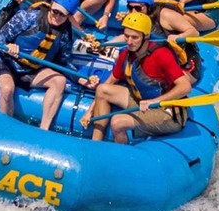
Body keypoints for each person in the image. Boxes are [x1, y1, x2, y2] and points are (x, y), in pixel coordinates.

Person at [0, 0, 97, 130]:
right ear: (51, 4)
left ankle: (44, 129)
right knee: (8, 88)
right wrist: (7, 46)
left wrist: (79, 78)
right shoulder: (27, 17)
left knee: (59, 81)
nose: (56, 16)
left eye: (62, 14)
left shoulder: (64, 34)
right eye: (55, 11)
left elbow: (62, 61)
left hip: (30, 70)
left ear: (69, 16)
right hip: (5, 62)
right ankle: (4, 128)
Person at [79, 12, 192, 144]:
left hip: (168, 112)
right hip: (142, 100)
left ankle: (122, 154)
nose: (129, 41)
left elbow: (185, 86)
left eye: (135, 37)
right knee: (103, 89)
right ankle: (95, 144)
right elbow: (109, 82)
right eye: (126, 36)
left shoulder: (162, 55)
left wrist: (155, 101)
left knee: (117, 122)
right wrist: (89, 112)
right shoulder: (126, 54)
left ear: (146, 36)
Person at [114, 0, 203, 84]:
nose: (133, 12)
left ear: (149, 6)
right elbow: (127, 37)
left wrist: (178, 37)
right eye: (130, 7)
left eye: (138, 8)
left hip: (184, 64)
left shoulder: (165, 15)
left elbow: (194, 32)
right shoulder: (135, 15)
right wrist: (104, 45)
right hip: (156, 57)